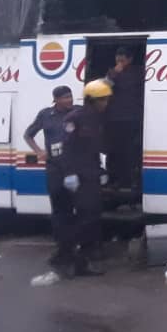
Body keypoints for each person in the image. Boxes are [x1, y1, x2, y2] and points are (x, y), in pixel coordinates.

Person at [54, 79, 113, 277]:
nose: (106, 103)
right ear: (92, 100)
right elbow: (67, 149)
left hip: (92, 175)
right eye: (103, 100)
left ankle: (81, 262)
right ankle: (71, 260)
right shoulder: (75, 118)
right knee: (85, 219)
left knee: (93, 217)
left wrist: (101, 170)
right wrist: (70, 174)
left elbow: (95, 149)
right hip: (79, 177)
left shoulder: (97, 118)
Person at [24, 86, 76, 271]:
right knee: (58, 210)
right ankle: (61, 249)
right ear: (56, 100)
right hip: (54, 168)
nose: (69, 100)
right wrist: (39, 152)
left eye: (70, 96)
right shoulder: (46, 115)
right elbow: (28, 134)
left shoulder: (77, 112)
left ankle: (73, 249)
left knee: (74, 209)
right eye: (65, 98)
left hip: (73, 169)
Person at [105, 46, 142, 191]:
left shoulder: (138, 72)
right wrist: (115, 73)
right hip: (115, 118)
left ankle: (131, 181)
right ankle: (115, 180)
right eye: (117, 59)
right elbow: (103, 87)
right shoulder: (111, 72)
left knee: (131, 151)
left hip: (132, 117)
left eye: (123, 59)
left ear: (130, 59)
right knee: (114, 151)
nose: (120, 62)